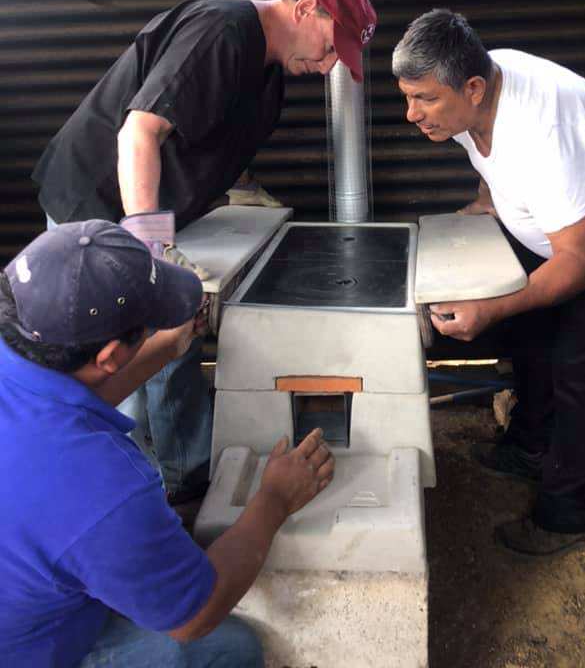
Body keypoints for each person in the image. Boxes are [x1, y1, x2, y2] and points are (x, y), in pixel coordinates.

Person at [32, 0, 376, 502]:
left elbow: (217, 141)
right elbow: (139, 132)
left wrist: (244, 193)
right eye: (331, 48)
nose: (329, 66)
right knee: (117, 359)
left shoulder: (269, 71)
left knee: (174, 342)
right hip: (95, 210)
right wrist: (150, 253)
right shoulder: (223, 31)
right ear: (306, 8)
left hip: (150, 215)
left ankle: (188, 483)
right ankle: (126, 500)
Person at [392, 8, 585, 557]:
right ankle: (528, 447)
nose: (412, 114)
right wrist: (485, 203)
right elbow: (485, 155)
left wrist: (495, 308)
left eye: (425, 99)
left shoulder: (541, 128)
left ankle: (568, 518)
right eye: (408, 97)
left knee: (582, 363)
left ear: (473, 88)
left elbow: (583, 260)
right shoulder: (471, 98)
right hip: (566, 227)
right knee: (533, 333)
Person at [0, 219, 334, 667]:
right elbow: (193, 616)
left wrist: (167, 346)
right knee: (227, 647)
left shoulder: (25, 345)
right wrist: (275, 499)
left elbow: (66, 397)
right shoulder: (101, 489)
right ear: (110, 356)